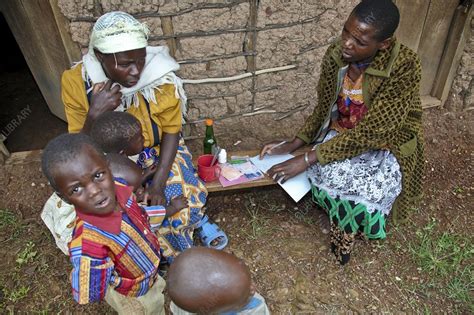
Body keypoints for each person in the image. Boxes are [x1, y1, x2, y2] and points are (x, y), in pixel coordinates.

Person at [259, 0, 423, 265]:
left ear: (383, 44)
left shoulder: (404, 65)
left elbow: (374, 132)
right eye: (346, 31)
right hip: (344, 134)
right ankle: (341, 222)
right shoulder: (337, 55)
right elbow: (324, 107)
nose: (346, 43)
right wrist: (294, 144)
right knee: (330, 171)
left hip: (386, 141)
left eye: (359, 41)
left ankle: (347, 231)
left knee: (369, 185)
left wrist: (306, 158)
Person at [59, 11, 227, 260]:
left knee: (173, 193)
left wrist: (158, 181)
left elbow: (171, 131)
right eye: (125, 64)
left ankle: (194, 222)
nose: (137, 71)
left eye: (140, 60)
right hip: (108, 159)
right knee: (121, 210)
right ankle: (155, 252)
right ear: (100, 57)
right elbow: (77, 148)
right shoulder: (77, 83)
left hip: (159, 150)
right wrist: (94, 113)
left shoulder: (160, 76)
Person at [41, 133, 166, 313]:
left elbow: (140, 216)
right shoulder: (88, 243)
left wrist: (163, 212)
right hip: (133, 295)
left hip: (149, 272)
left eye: (98, 175)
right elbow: (90, 288)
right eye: (76, 189)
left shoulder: (121, 190)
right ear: (65, 198)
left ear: (108, 168)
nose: (94, 191)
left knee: (158, 299)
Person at [167, 247, 270, 315]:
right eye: (245, 296)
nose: (253, 288)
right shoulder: (254, 309)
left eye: (249, 281)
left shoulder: (187, 305)